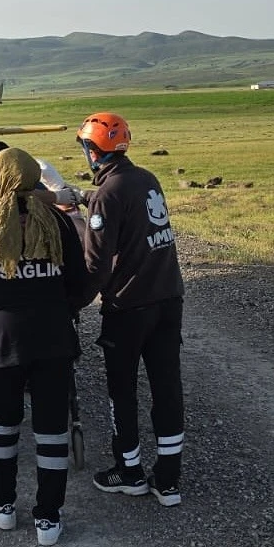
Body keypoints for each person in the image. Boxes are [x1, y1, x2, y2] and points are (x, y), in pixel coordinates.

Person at [0, 149, 87, 545]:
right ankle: (48, 518)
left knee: (3, 426)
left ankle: (3, 505)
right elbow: (81, 285)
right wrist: (57, 303)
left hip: (5, 340)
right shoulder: (60, 223)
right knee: (52, 431)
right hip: (54, 338)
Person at [78, 112, 185, 506]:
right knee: (166, 387)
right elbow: (128, 208)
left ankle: (129, 471)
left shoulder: (108, 194)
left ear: (93, 151)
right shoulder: (146, 178)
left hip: (129, 306)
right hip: (168, 299)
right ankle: (169, 479)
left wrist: (72, 303)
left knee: (121, 390)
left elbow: (96, 265)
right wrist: (83, 196)